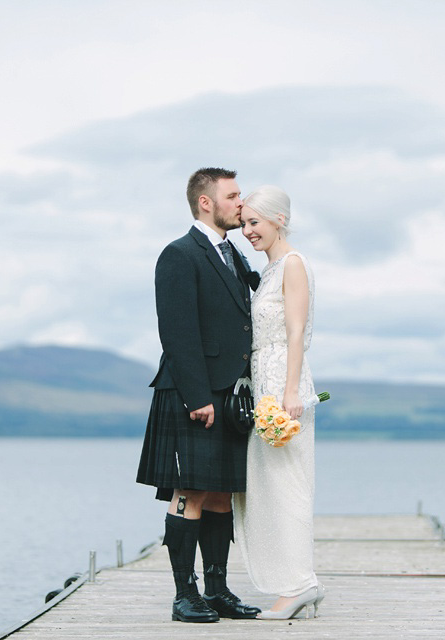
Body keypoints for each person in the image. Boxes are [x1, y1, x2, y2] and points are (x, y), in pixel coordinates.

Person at [136, 167, 262, 623]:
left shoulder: (236, 256)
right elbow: (176, 331)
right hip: (196, 394)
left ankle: (218, 590)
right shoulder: (179, 254)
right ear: (205, 202)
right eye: (232, 196)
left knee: (221, 494)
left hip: (233, 396)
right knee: (189, 490)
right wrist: (196, 397)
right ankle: (184, 596)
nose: (240, 204)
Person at [233, 185, 324, 619]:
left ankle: (299, 584)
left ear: (279, 220)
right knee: (269, 489)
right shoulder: (269, 270)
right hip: (262, 384)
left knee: (288, 487)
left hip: (283, 388)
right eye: (244, 223)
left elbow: (295, 331)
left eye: (254, 222)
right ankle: (294, 581)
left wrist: (289, 391)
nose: (247, 230)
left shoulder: (293, 264)